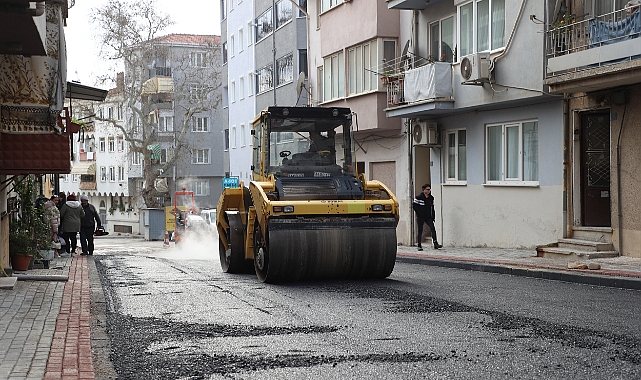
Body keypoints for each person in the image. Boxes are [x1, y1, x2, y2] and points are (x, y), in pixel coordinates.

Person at [412, 184, 442, 250]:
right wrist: (419, 213)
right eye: (427, 189)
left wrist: (433, 216)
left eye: (429, 189)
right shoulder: (418, 197)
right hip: (420, 217)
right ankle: (419, 245)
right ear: (424, 190)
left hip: (428, 216)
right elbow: (414, 206)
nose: (429, 191)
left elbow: (432, 207)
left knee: (433, 229)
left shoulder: (431, 198)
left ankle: (435, 243)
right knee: (420, 230)